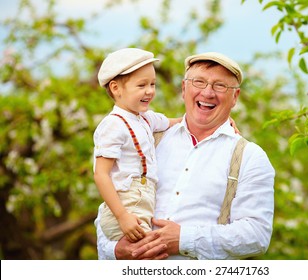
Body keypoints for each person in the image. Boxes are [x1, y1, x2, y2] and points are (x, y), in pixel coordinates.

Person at [94, 51, 275, 260]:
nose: (207, 93)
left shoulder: (249, 157)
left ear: (235, 97)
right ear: (183, 88)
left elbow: (257, 235)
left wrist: (184, 239)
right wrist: (115, 251)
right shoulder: (147, 137)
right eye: (199, 82)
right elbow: (110, 209)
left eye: (220, 86)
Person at [93, 48, 181, 242]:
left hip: (143, 202)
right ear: (116, 88)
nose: (149, 91)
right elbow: (101, 174)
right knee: (151, 250)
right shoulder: (113, 124)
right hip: (127, 204)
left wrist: (220, 122)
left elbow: (179, 121)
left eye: (153, 84)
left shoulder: (145, 118)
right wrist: (122, 216)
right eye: (141, 85)